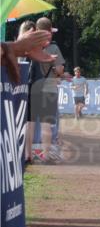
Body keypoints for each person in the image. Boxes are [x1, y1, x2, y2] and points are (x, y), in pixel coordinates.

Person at [26, 17, 65, 164]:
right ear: (49, 31)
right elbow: (60, 70)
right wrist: (56, 70)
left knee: (30, 123)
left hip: (32, 87)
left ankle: (27, 155)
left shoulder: (29, 45)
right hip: (49, 89)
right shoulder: (53, 48)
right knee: (46, 124)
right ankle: (46, 156)